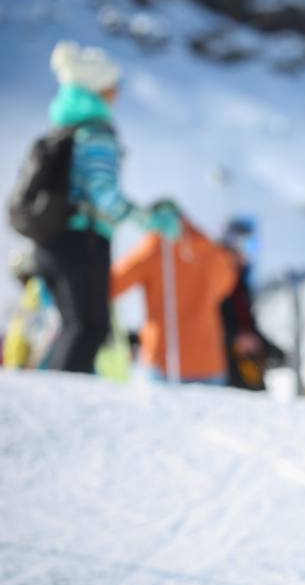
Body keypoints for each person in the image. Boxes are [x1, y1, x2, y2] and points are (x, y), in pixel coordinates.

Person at [30, 41, 179, 374]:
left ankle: (60, 391)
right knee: (89, 328)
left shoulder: (67, 129)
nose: (117, 94)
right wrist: (149, 220)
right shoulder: (96, 134)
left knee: (74, 325)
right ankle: (64, 398)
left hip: (52, 241)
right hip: (83, 241)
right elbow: (104, 196)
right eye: (113, 87)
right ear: (97, 90)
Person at [110, 203, 238, 384]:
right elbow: (226, 286)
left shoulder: (154, 250)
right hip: (208, 360)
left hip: (164, 358)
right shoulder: (211, 251)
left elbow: (113, 285)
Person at [217, 216, 283, 390]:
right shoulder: (215, 281)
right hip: (222, 372)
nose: (250, 254)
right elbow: (206, 322)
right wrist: (235, 338)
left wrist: (273, 350)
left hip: (244, 367)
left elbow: (248, 324)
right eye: (248, 246)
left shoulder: (240, 283)